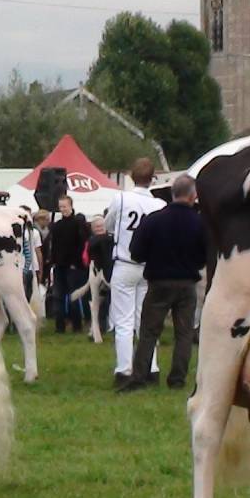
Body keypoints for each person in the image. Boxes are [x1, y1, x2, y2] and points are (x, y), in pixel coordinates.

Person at [124, 175, 204, 391]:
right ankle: (177, 379)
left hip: (159, 282)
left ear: (172, 194)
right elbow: (205, 255)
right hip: (187, 283)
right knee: (184, 333)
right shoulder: (199, 222)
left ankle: (139, 376)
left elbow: (136, 253)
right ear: (193, 195)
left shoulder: (154, 219)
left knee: (149, 331)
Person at [102, 158, 164, 388]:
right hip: (149, 267)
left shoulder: (121, 198)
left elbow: (108, 225)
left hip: (125, 262)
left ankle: (125, 369)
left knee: (124, 320)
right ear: (152, 178)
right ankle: (151, 367)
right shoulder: (159, 204)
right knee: (145, 320)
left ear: (131, 176)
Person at [44, 194, 88, 334]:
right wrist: (53, 262)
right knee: (59, 296)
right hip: (59, 265)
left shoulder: (78, 224)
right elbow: (54, 246)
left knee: (73, 296)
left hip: (73, 266)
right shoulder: (56, 226)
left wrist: (76, 263)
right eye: (60, 206)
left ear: (71, 206)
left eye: (64, 206)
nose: (62, 209)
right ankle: (60, 325)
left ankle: (76, 325)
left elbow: (82, 244)